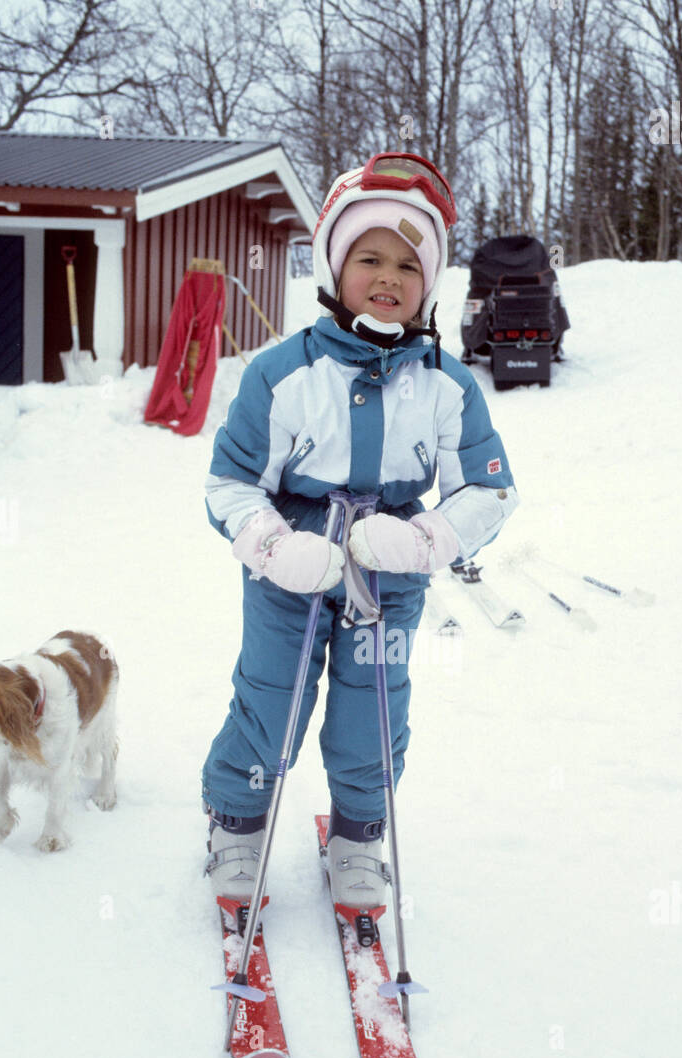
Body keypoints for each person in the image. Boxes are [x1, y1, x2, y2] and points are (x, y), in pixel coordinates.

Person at [201, 152, 519, 912]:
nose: (388, 277)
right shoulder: (281, 373)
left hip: (389, 566)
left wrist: (428, 540)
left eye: (409, 265)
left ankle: (358, 835)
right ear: (336, 268)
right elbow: (229, 484)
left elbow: (490, 488)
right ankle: (237, 826)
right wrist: (274, 546)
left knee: (372, 705)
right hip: (292, 565)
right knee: (270, 698)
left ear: (429, 287)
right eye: (369, 257)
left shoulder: (446, 383)